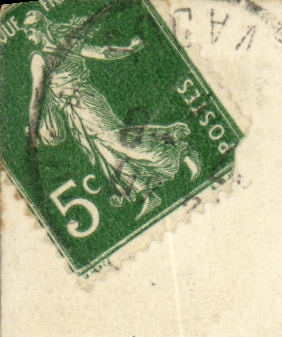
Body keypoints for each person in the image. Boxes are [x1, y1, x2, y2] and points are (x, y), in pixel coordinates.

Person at [22, 10, 201, 220]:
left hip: (85, 102)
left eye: (30, 31)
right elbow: (102, 53)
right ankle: (146, 193)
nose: (28, 37)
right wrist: (129, 49)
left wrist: (129, 49)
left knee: (118, 140)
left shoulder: (45, 56)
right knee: (106, 154)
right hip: (74, 113)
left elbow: (38, 95)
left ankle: (179, 149)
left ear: (41, 28)